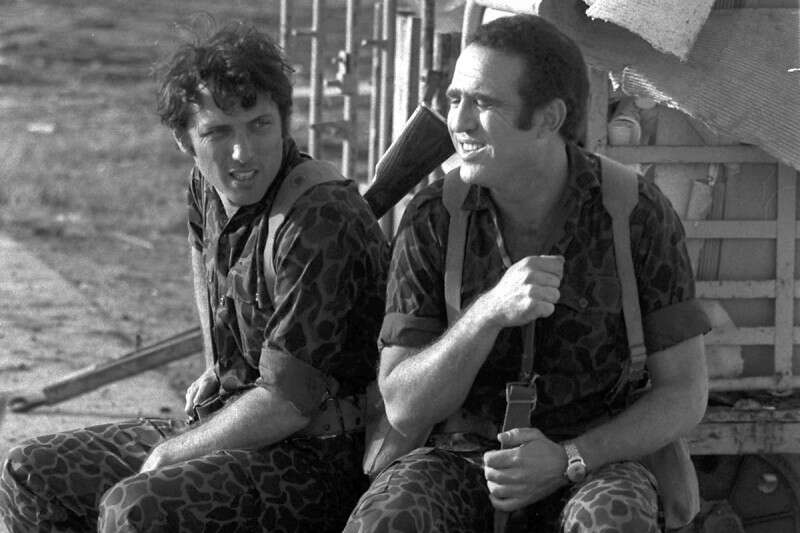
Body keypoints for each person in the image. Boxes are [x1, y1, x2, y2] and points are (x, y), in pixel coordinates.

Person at [0, 22, 389, 532]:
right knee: (29, 472)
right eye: (218, 132)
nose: (243, 152)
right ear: (185, 140)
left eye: (259, 125)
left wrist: (172, 455)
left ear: (284, 122)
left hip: (318, 460)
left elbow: (290, 402)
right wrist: (214, 366)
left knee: (137, 506)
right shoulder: (207, 187)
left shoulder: (318, 218)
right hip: (232, 422)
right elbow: (203, 260)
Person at [345, 14, 709, 533]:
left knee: (613, 520)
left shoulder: (634, 213)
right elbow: (403, 406)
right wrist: (486, 314)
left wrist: (569, 458)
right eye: (454, 99)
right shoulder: (434, 217)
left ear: (547, 118)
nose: (459, 122)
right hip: (460, 456)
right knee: (389, 520)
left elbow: (684, 392)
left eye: (484, 103)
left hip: (595, 459)